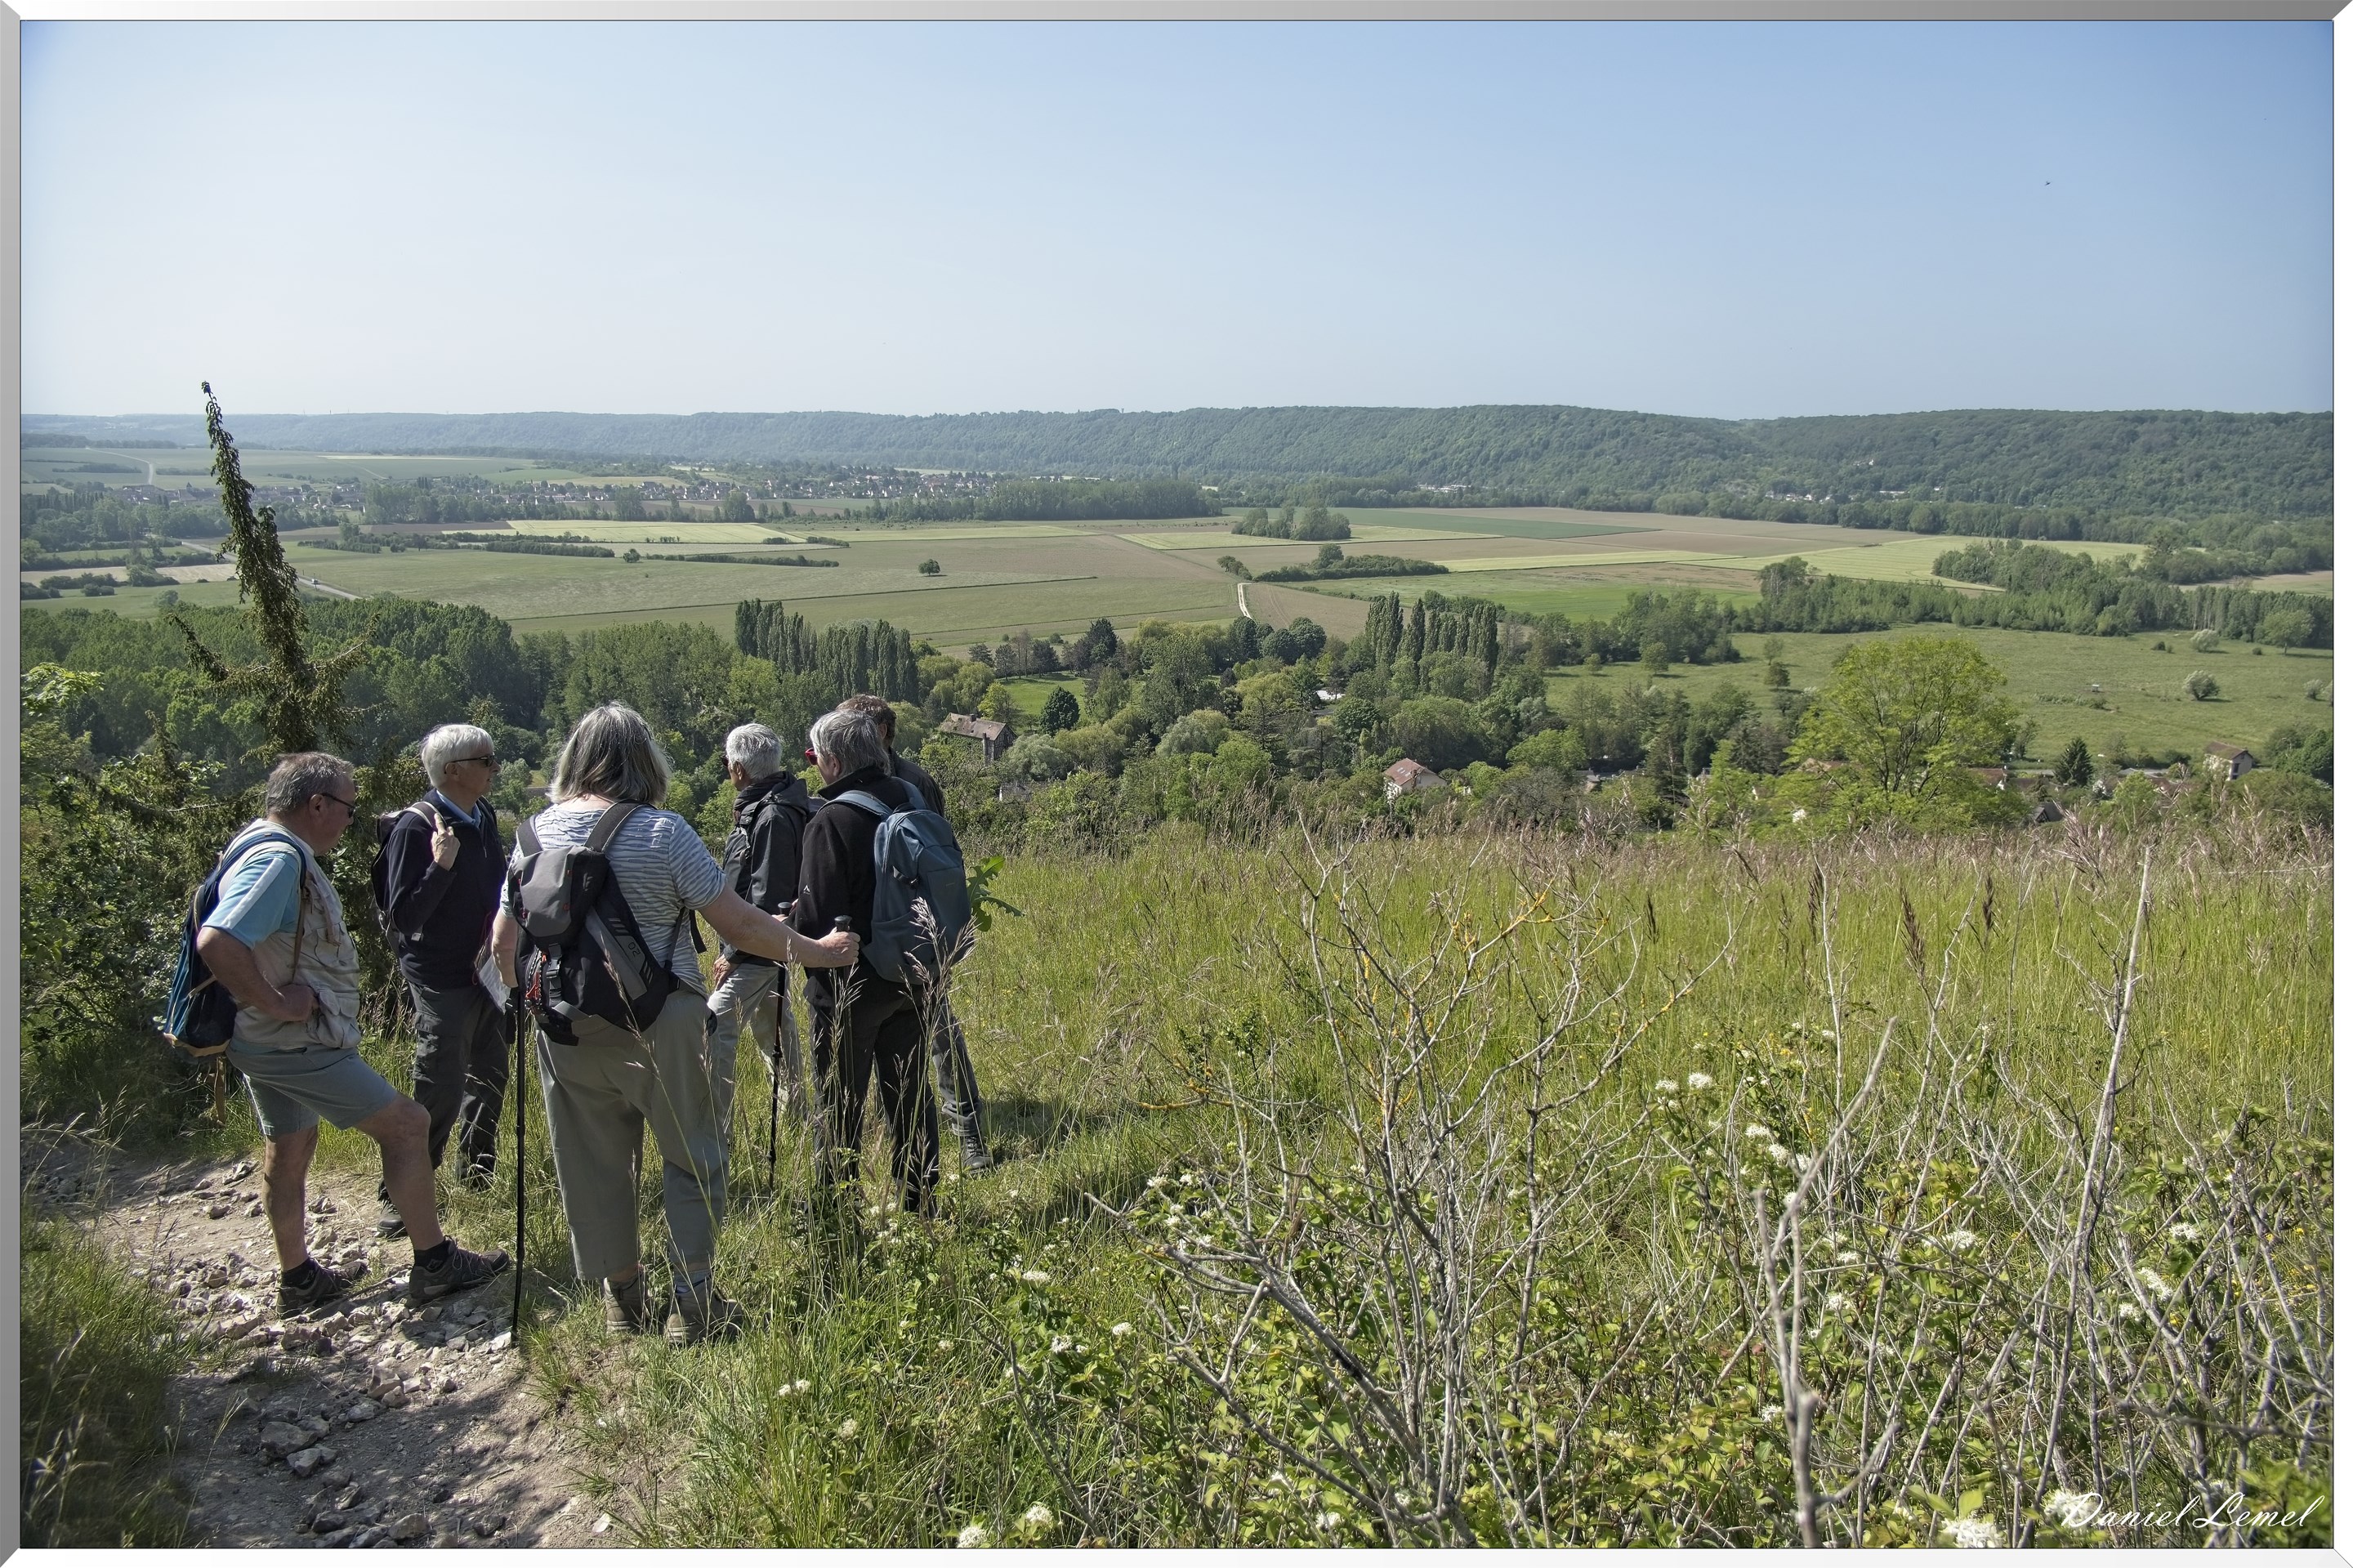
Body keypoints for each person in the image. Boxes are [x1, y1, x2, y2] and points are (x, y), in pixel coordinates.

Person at [492, 704, 858, 1346]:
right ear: (645, 762)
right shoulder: (664, 832)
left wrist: (538, 1012)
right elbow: (739, 925)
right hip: (663, 1021)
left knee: (595, 1165)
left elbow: (504, 945)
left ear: (574, 759)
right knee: (692, 1156)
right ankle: (692, 1304)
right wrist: (822, 951)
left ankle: (622, 1299)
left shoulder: (531, 836)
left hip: (565, 1029)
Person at [197, 753, 509, 1316]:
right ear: (315, 804)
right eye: (346, 805)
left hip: (265, 1041)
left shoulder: (258, 845)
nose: (350, 818)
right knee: (409, 1125)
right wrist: (277, 1002)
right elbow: (218, 941)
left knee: (289, 1148)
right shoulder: (276, 861)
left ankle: (298, 1278)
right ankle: (435, 1262)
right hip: (296, 1042)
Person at [835, 693, 992, 1173]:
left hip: (912, 933)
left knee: (940, 1030)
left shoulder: (913, 783)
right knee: (909, 1035)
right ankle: (903, 1130)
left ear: (879, 731)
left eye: (851, 728)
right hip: (873, 938)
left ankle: (969, 1134)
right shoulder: (846, 780)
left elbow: (940, 858)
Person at [797, 708, 941, 1222]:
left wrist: (787, 920)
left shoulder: (830, 820)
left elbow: (815, 919)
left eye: (816, 758)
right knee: (909, 1097)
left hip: (849, 988)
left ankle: (838, 1214)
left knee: (840, 1106)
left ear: (833, 761)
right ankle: (922, 1205)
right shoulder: (911, 797)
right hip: (912, 973)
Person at [372, 722, 509, 1238]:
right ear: (454, 771)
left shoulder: (483, 815)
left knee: (490, 1074)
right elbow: (404, 916)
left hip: (486, 972)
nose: (495, 767)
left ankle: (476, 1176)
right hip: (440, 978)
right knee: (440, 1084)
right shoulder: (416, 829)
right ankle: (401, 1194)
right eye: (486, 759)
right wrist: (441, 868)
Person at [706, 721, 814, 1121]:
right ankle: (802, 1117)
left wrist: (734, 954)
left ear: (738, 769)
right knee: (775, 1030)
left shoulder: (770, 816)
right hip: (763, 943)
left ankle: (712, 1133)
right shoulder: (775, 804)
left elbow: (768, 898)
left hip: (759, 945)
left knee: (713, 1025)